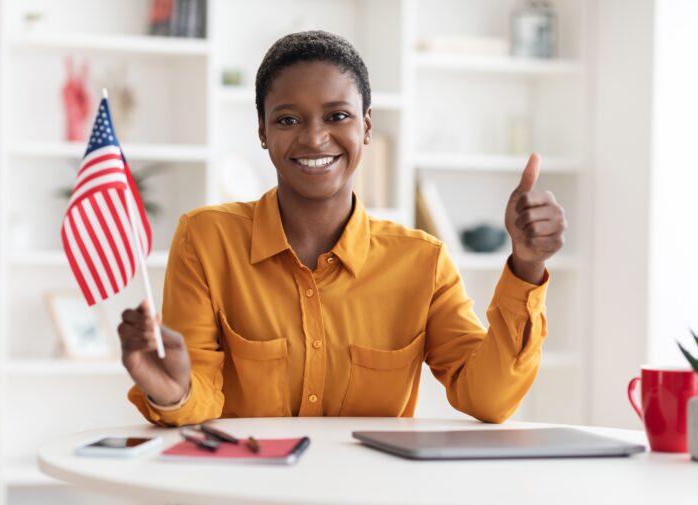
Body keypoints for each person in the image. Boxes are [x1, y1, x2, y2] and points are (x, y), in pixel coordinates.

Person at [118, 31, 566, 426]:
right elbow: (199, 394)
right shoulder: (206, 240)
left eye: (337, 116)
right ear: (262, 131)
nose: (314, 138)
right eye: (288, 120)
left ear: (367, 126)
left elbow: (488, 398)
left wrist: (526, 266)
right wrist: (172, 392)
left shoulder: (422, 261)